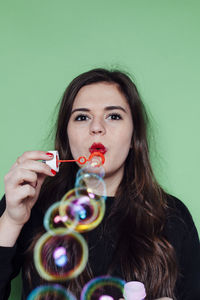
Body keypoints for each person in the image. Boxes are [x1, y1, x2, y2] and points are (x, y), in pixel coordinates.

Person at [0, 68, 199, 300]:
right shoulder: (30, 202)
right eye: (82, 117)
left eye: (113, 116)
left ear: (134, 137)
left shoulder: (172, 215)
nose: (96, 127)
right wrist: (10, 221)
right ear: (66, 136)